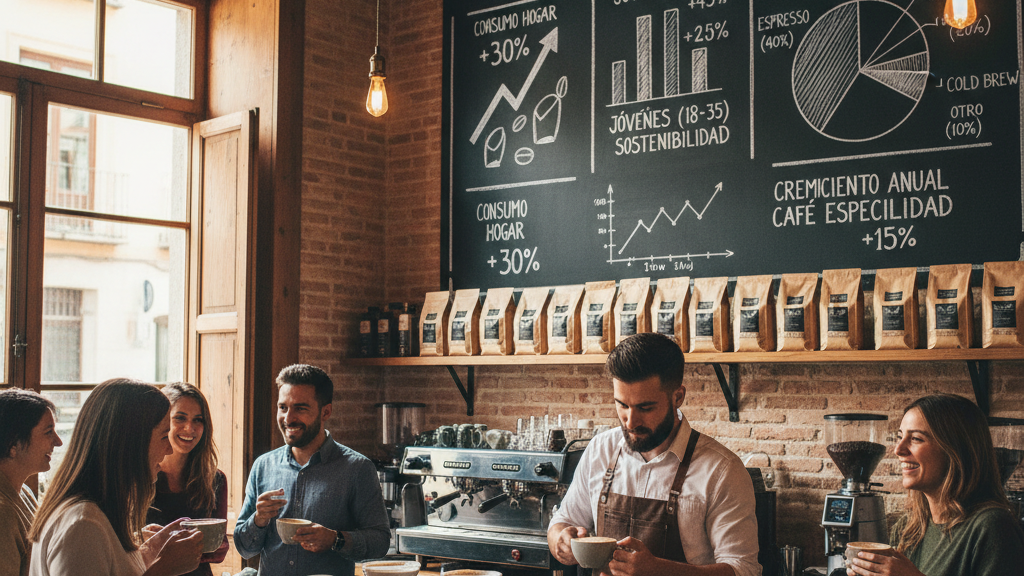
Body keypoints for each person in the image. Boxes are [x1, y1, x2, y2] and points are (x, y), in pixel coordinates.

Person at [548, 333, 760, 576]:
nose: (630, 422)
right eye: (622, 405)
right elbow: (562, 521)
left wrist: (660, 571)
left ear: (678, 397)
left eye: (645, 408)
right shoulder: (600, 450)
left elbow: (744, 570)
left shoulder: (721, 470)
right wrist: (560, 540)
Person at [28, 378, 205, 576]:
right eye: (164, 437)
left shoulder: (98, 514)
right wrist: (164, 569)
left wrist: (144, 555)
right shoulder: (83, 526)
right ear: (132, 444)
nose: (170, 449)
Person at [234, 364, 390, 576]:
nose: (288, 418)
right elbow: (244, 548)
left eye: (300, 408)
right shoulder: (263, 466)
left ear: (326, 411)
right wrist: (258, 520)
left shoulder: (357, 469)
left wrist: (336, 540)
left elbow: (380, 542)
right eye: (283, 407)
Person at [846, 394, 1024, 576]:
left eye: (916, 439)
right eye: (900, 437)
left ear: (955, 450)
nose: (898, 449)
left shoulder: (992, 527)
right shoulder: (908, 529)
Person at [145, 383, 228, 576]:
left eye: (198, 420)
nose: (189, 428)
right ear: (162, 423)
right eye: (180, 418)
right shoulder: (140, 477)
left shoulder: (215, 479)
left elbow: (221, 548)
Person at [0, 389, 63, 576]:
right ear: (13, 444)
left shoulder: (24, 492)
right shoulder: (2, 514)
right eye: (48, 432)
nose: (58, 442)